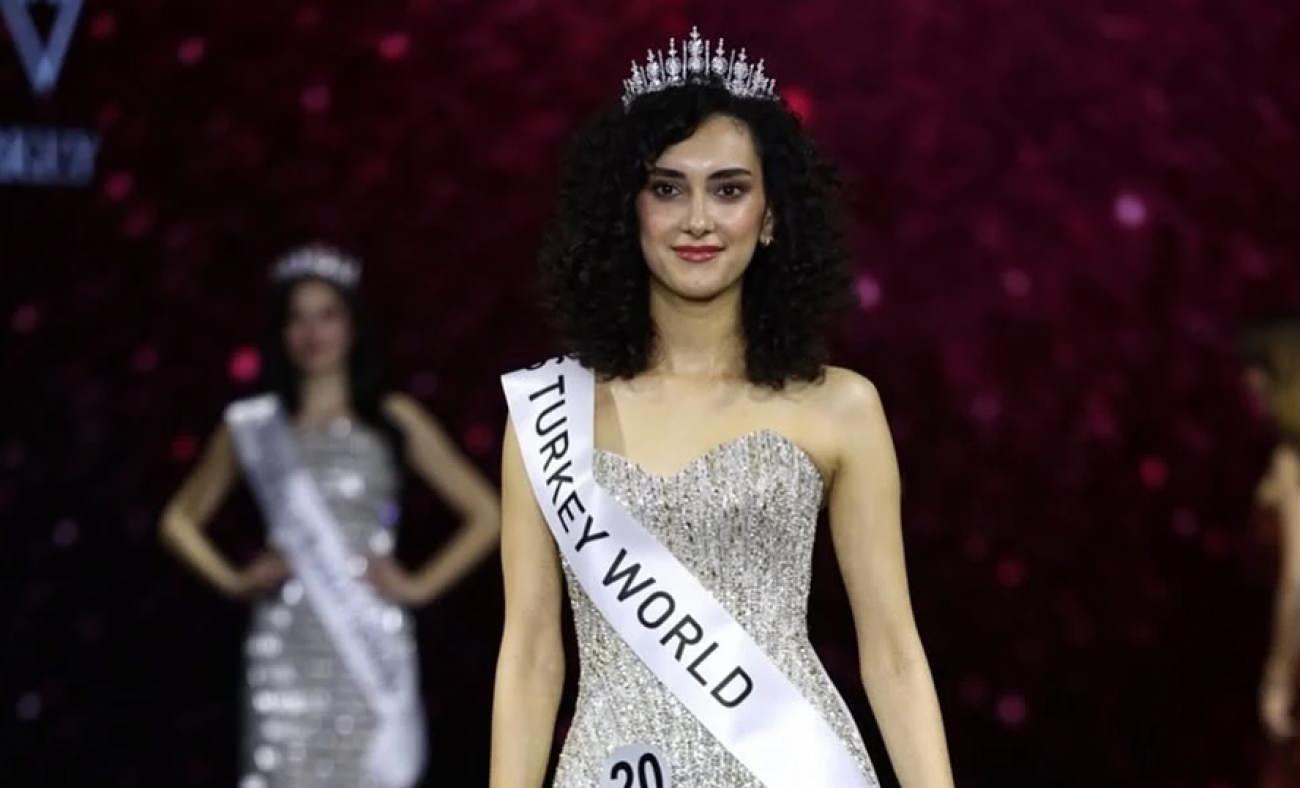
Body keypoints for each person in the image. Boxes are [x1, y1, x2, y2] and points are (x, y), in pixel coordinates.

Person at [490, 28, 954, 787]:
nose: (698, 220)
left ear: (770, 216)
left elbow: (894, 652)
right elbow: (532, 653)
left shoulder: (840, 407)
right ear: (628, 210)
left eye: (729, 189)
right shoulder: (549, 415)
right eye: (667, 188)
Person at [160, 245, 500, 787]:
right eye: (297, 318)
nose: (313, 331)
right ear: (280, 332)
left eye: (327, 315)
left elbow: (487, 514)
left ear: (352, 325)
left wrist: (420, 586)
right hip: (284, 645)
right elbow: (179, 519)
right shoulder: (253, 426)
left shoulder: (393, 419)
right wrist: (234, 580)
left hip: (368, 640)